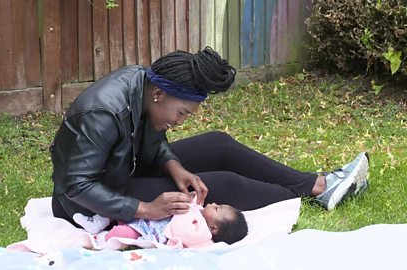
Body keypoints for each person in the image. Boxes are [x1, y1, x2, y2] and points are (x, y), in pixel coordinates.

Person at [49, 47, 369, 234]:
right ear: (159, 94)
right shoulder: (101, 113)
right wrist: (145, 208)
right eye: (183, 113)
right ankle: (298, 195)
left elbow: (149, 135)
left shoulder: (144, 83)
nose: (180, 121)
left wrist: (173, 165)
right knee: (221, 185)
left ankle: (319, 185)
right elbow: (76, 185)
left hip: (124, 168)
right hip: (86, 201)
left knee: (218, 144)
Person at [74, 195, 248, 247]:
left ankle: (101, 244)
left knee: (123, 234)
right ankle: (97, 222)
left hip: (149, 230)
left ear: (214, 228)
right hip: (149, 216)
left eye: (217, 209)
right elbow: (191, 204)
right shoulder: (200, 212)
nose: (215, 203)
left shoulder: (201, 234)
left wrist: (188, 210)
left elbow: (182, 230)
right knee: (122, 205)